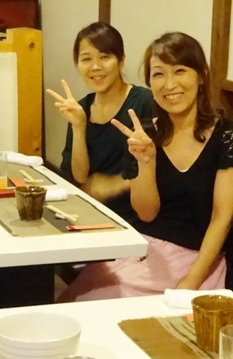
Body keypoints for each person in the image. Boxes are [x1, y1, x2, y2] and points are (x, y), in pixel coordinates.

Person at [63, 31, 233, 299]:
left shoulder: (227, 136)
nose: (169, 84)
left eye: (180, 71)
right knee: (75, 301)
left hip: (198, 259)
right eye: (159, 74)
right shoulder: (145, 133)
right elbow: (146, 214)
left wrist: (191, 281)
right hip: (143, 250)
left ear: (201, 76)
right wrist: (146, 162)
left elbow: (222, 218)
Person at [47, 22, 154, 221]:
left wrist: (113, 185)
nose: (95, 67)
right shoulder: (80, 109)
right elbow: (80, 177)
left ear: (121, 61)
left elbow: (161, 169)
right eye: (86, 59)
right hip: (90, 213)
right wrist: (79, 127)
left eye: (105, 57)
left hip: (135, 216)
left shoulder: (144, 102)